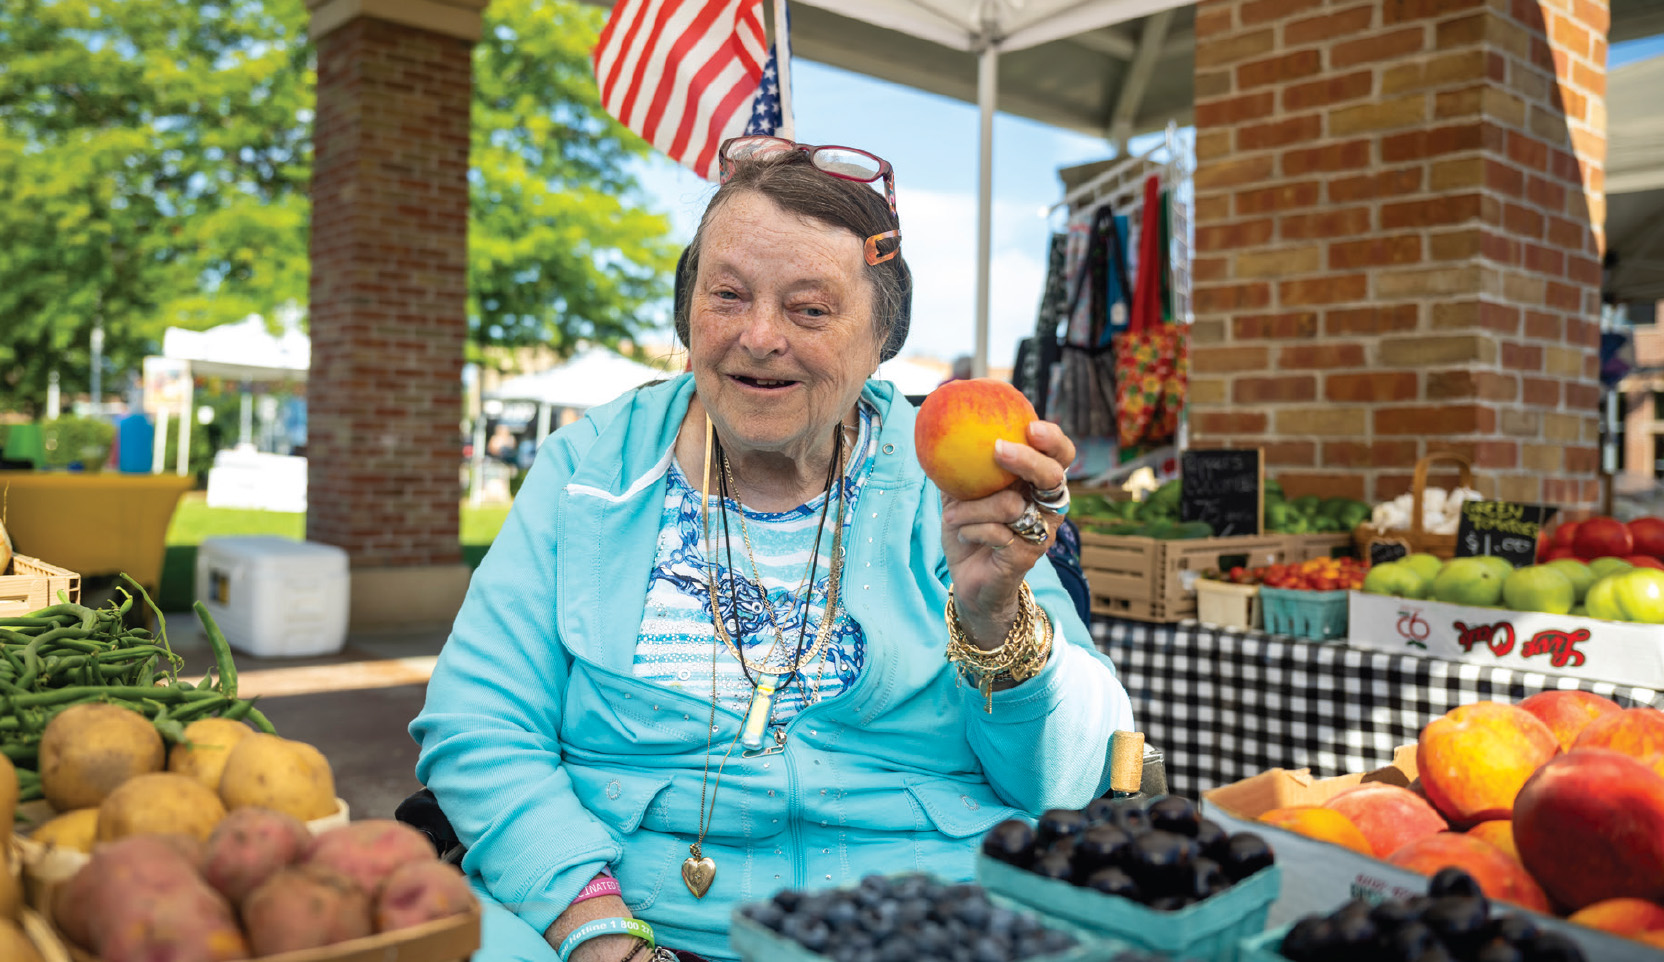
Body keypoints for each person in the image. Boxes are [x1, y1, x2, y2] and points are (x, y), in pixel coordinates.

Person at [410, 137, 1135, 962]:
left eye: (810, 309)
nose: (758, 337)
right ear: (688, 310)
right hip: (634, 921)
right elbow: (481, 721)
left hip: (923, 929)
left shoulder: (955, 482)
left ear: (880, 339)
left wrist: (994, 611)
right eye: (728, 295)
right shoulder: (590, 468)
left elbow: (1075, 780)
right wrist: (597, 931)